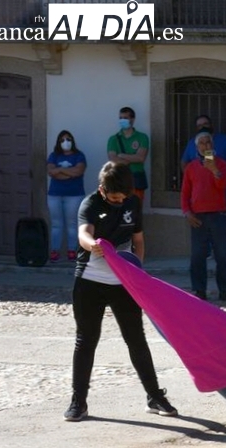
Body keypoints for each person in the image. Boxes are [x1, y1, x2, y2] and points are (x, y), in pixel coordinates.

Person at [65, 161, 176, 422]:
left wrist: (138, 273)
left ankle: (154, 396)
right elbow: (83, 234)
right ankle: (78, 401)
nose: (119, 201)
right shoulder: (90, 204)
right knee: (86, 340)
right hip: (90, 280)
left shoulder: (132, 203)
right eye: (114, 197)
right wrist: (93, 245)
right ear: (103, 189)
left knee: (136, 338)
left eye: (123, 197)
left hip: (123, 282)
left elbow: (138, 240)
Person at [181, 131, 226, 301]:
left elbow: (222, 185)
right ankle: (199, 290)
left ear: (213, 145)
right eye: (202, 143)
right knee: (197, 255)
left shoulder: (222, 164)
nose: (206, 146)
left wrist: (214, 170)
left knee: (222, 255)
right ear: (197, 147)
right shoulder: (191, 167)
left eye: (208, 142)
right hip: (198, 217)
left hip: (218, 215)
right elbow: (185, 193)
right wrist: (187, 212)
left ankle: (224, 290)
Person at [46, 130, 87, 263]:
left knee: (72, 224)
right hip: (55, 195)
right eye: (63, 140)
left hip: (74, 195)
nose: (66, 142)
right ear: (59, 142)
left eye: (68, 139)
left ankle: (71, 250)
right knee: (56, 224)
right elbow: (51, 171)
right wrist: (69, 173)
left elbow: (78, 171)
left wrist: (60, 170)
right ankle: (55, 250)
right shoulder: (54, 155)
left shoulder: (79, 155)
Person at [181, 114, 226, 199]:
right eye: (199, 125)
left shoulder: (224, 140)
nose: (203, 127)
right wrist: (190, 181)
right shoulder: (192, 143)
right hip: (199, 189)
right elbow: (184, 162)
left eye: (205, 124)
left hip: (219, 187)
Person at [107, 106, 149, 203]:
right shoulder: (113, 139)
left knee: (135, 208)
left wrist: (122, 156)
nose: (122, 120)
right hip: (119, 178)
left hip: (136, 178)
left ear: (132, 119)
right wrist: (131, 158)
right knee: (119, 209)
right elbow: (113, 160)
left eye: (125, 118)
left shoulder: (142, 137)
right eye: (120, 118)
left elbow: (141, 158)